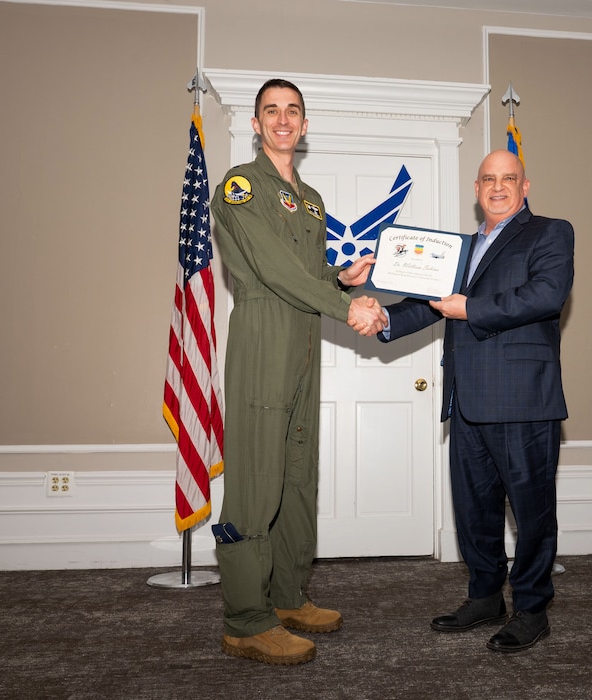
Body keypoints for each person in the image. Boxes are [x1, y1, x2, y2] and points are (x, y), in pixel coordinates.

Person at [209, 78, 386, 666]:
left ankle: (286, 596)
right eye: (271, 111)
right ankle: (246, 619)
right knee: (257, 477)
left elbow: (304, 273)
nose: (282, 120)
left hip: (304, 338)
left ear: (305, 126)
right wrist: (346, 306)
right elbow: (273, 268)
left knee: (296, 473)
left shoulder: (310, 200)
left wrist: (341, 278)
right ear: (256, 124)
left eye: (292, 111)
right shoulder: (240, 185)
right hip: (265, 335)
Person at [380, 149, 574, 653]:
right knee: (474, 510)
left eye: (509, 179)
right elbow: (431, 303)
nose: (498, 187)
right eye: (489, 179)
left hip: (524, 398)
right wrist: (383, 319)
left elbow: (546, 295)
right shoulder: (460, 249)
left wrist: (472, 308)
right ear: (476, 188)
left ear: (525, 186)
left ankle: (531, 609)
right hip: (466, 398)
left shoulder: (551, 233)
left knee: (531, 513)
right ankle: (486, 596)